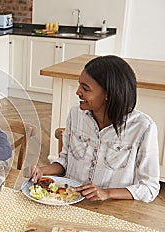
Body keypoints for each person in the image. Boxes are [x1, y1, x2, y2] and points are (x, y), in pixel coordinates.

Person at [24, 55, 160, 203]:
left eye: (85, 88)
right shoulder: (76, 114)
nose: (78, 92)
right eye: (79, 85)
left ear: (108, 94)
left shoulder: (143, 127)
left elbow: (149, 188)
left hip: (111, 209)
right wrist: (42, 170)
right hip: (68, 200)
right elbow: (65, 161)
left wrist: (106, 193)